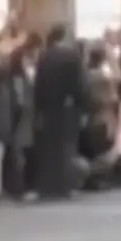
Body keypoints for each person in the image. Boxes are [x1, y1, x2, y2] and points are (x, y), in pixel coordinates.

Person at [33, 24, 87, 200]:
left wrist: (39, 108)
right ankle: (65, 186)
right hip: (67, 108)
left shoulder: (44, 56)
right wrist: (83, 107)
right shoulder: (72, 57)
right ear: (64, 37)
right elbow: (79, 86)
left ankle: (48, 186)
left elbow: (38, 85)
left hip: (48, 108)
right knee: (67, 147)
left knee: (49, 149)